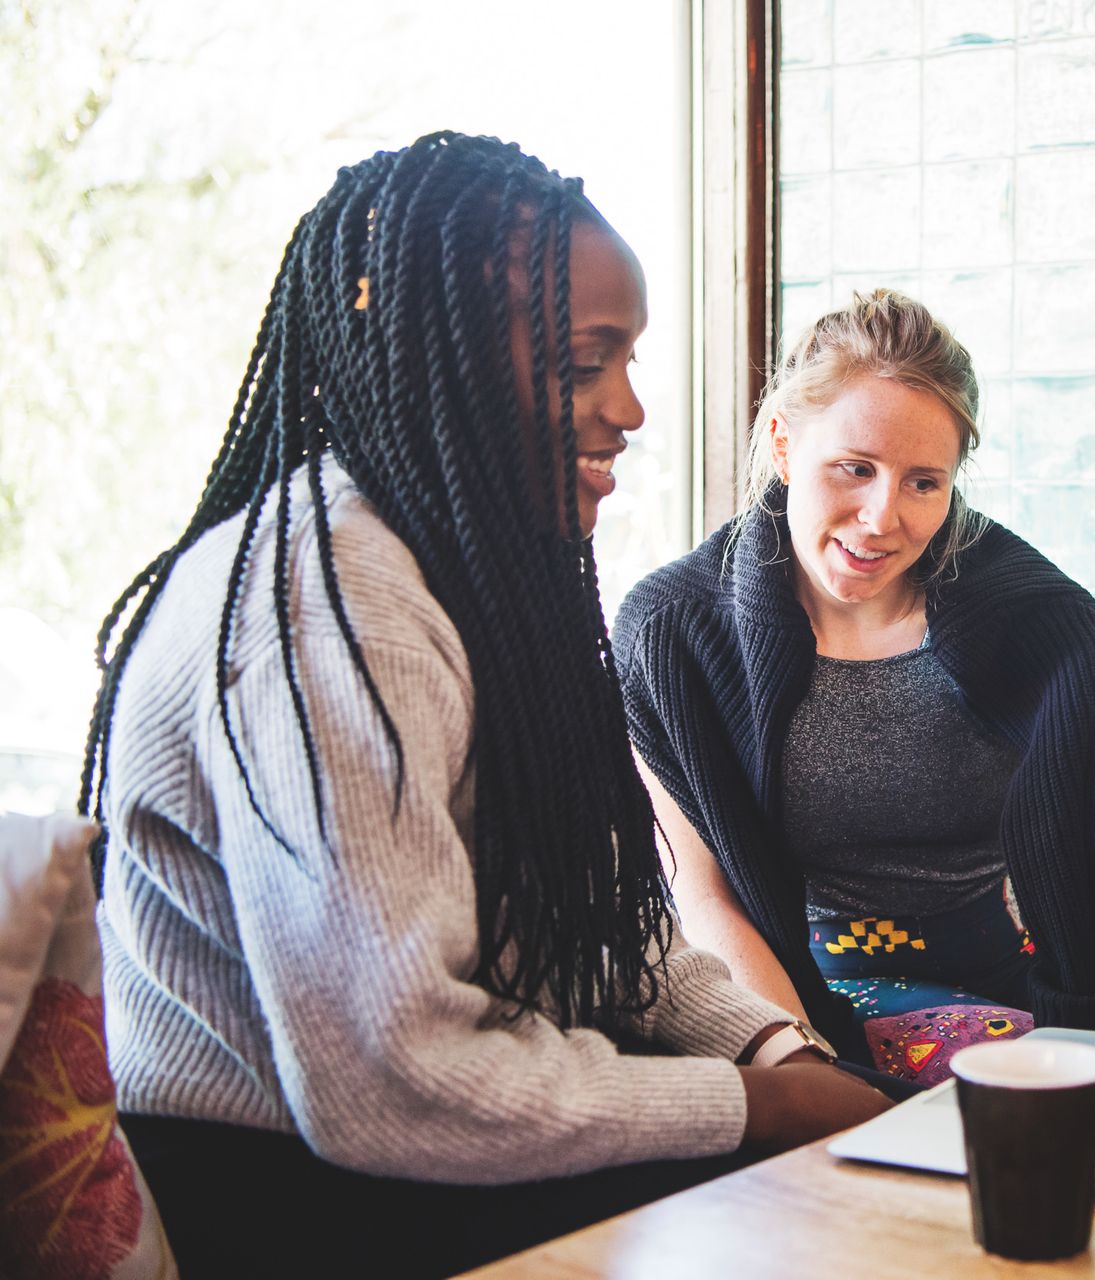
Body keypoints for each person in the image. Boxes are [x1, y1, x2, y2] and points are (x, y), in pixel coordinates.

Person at [81, 133, 889, 1278]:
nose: (630, 407)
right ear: (434, 359)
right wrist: (751, 1108)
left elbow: (588, 932)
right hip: (296, 1199)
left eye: (631, 357)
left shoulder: (469, 570)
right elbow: (393, 1080)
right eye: (580, 363)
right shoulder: (328, 602)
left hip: (434, 1152)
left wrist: (778, 1051)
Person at [613, 290, 1095, 1084]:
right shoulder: (674, 631)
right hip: (806, 994)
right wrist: (798, 1068)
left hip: (1013, 973)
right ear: (784, 445)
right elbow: (708, 902)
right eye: (853, 470)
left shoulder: (1032, 612)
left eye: (922, 483)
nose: (880, 518)